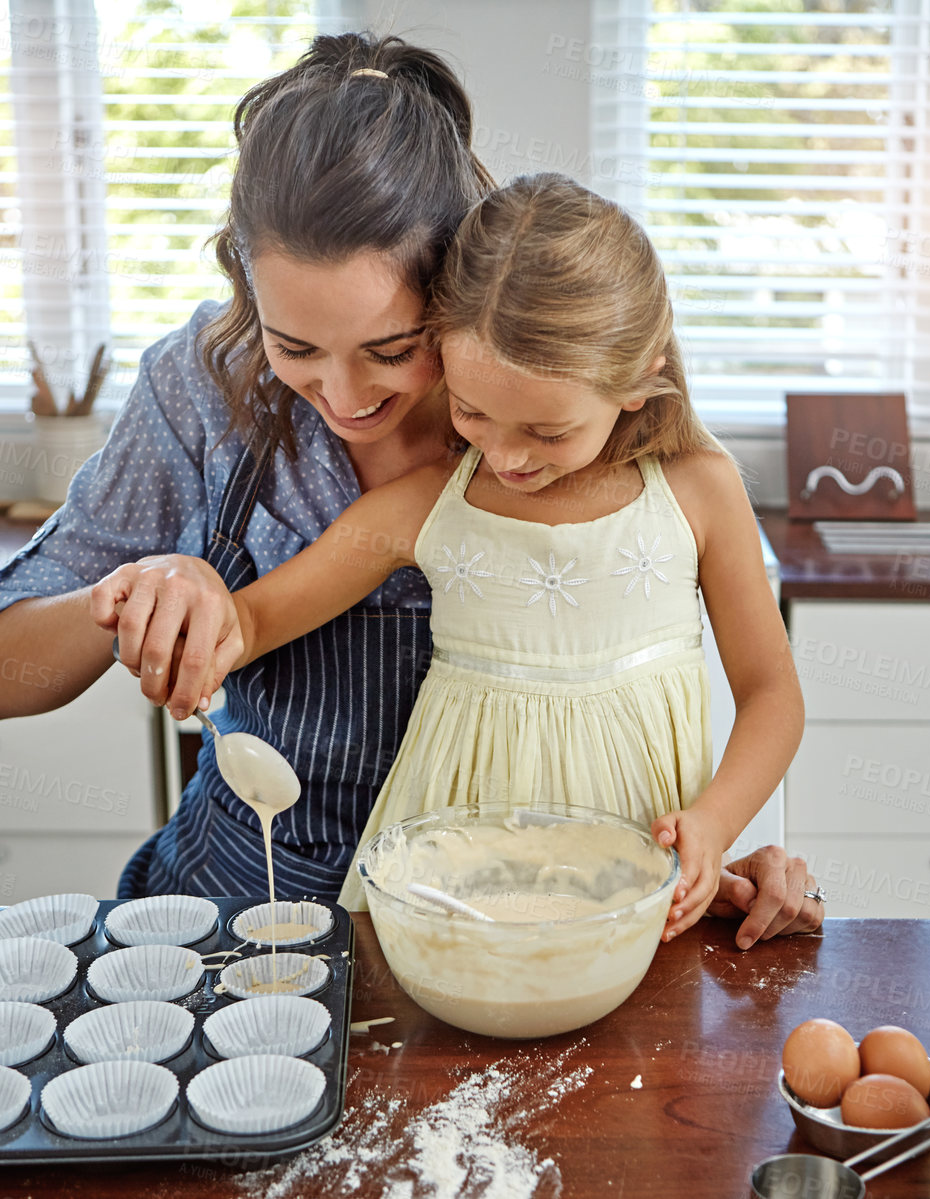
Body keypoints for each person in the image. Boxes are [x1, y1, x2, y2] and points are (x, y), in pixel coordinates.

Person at [0, 32, 823, 950]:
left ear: (458, 293)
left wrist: (723, 843)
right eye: (295, 349)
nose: (345, 396)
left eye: (393, 350)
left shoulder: (545, 386)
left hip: (502, 925)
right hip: (244, 903)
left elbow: (643, 679)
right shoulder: (200, 386)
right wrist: (133, 598)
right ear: (247, 290)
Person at [116, 173, 805, 941]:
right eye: (473, 413)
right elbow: (254, 616)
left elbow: (772, 691)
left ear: (638, 377)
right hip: (447, 894)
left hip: (640, 877)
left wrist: (714, 822)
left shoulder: (700, 493)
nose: (506, 456)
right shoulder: (432, 503)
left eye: (547, 432)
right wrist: (181, 603)